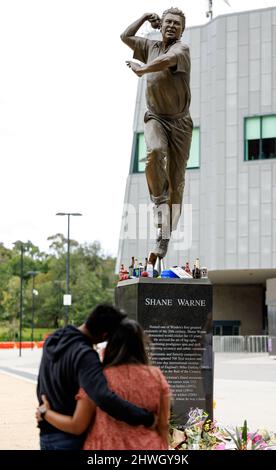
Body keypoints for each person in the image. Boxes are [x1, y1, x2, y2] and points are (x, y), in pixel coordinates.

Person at [121, 8, 193, 265]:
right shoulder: (150, 46)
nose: (172, 26)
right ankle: (160, 215)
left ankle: (165, 235)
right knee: (154, 152)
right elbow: (125, 36)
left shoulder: (181, 50)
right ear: (160, 25)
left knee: (177, 182)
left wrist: (143, 71)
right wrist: (142, 17)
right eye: (168, 22)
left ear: (182, 30)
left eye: (177, 24)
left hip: (180, 124)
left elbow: (165, 62)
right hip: (156, 118)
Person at [37, 319, 171, 450]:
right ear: (141, 345)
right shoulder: (156, 376)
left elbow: (78, 425)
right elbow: (163, 424)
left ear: (110, 344)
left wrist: (45, 413)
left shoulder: (98, 378)